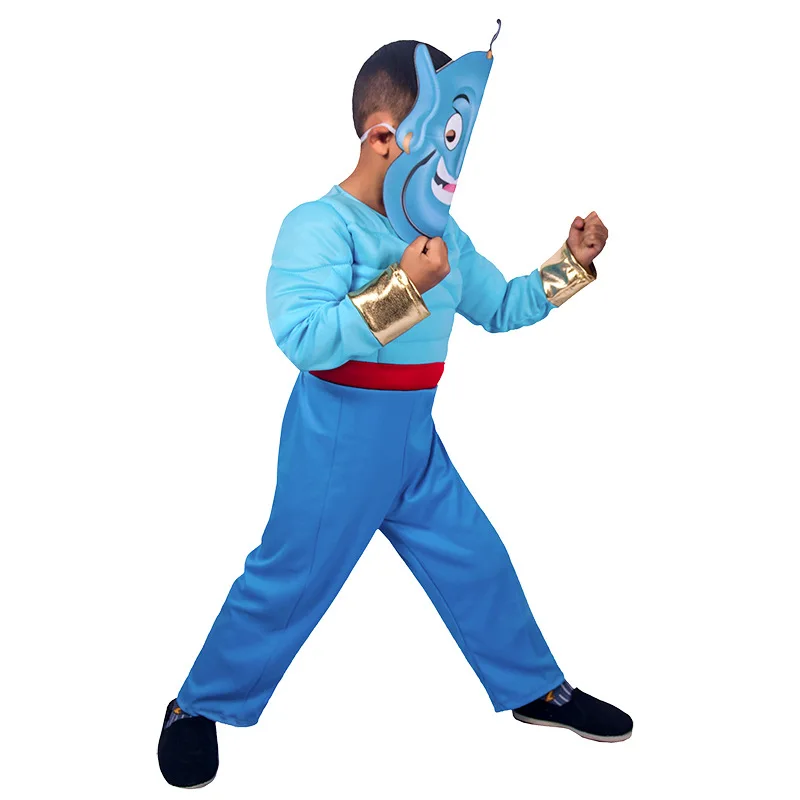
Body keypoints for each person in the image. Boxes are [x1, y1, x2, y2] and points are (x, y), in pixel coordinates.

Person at [158, 35, 632, 790]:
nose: (452, 161)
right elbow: (303, 337)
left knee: (477, 559)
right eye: (442, 138)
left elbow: (502, 306)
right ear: (385, 139)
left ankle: (534, 688)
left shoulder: (441, 235)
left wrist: (570, 264)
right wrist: (402, 288)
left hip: (414, 438)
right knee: (287, 579)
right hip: (336, 440)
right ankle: (198, 706)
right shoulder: (319, 224)